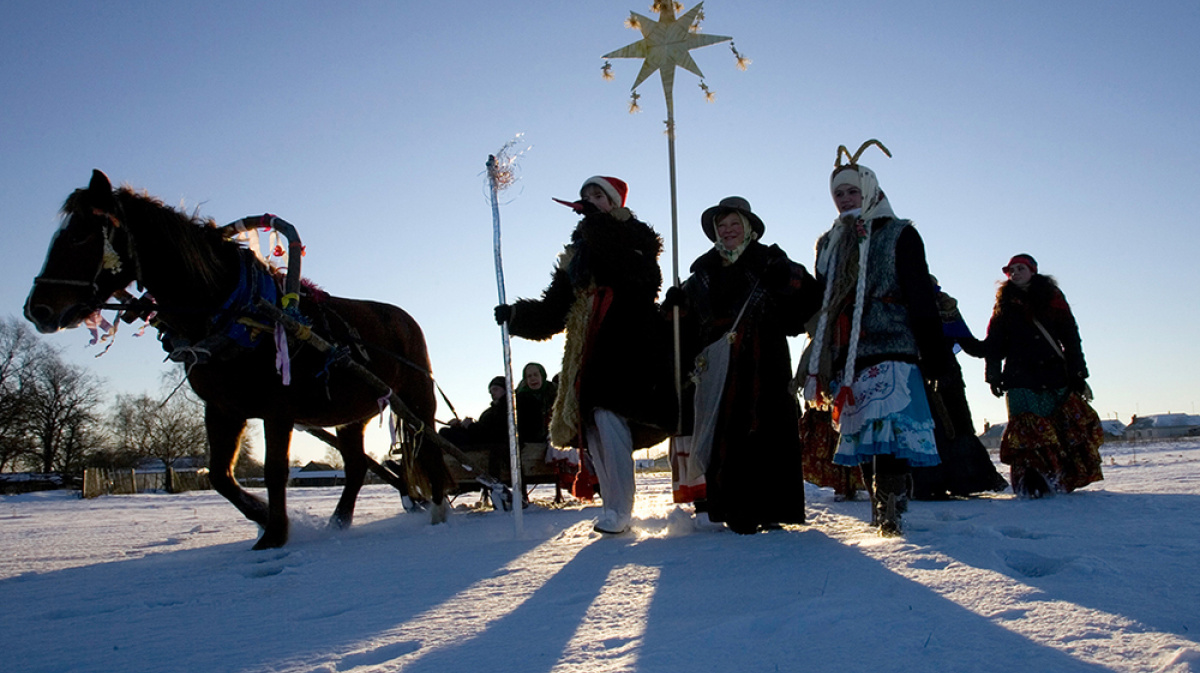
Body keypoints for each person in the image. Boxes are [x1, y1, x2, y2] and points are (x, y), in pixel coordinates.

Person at [495, 176, 674, 534]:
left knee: (611, 417)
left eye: (598, 195)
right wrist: (517, 317)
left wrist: (597, 226)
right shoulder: (576, 255)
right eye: (586, 196)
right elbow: (555, 309)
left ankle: (621, 509)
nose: (590, 201)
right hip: (588, 347)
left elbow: (639, 279)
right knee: (592, 425)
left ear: (615, 202)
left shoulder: (636, 237)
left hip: (630, 341)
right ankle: (613, 507)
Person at [797, 141, 949, 536]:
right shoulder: (828, 243)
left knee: (889, 427)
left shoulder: (900, 235)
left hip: (893, 340)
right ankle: (882, 500)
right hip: (847, 348)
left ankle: (891, 500)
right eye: (839, 194)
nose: (846, 199)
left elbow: (919, 296)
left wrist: (934, 353)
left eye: (852, 191)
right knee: (862, 428)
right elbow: (820, 296)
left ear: (870, 190)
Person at [666, 197, 821, 534]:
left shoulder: (771, 260)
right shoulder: (702, 273)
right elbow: (683, 326)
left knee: (769, 430)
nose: (729, 231)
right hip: (719, 366)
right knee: (728, 433)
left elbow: (808, 296)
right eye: (722, 226)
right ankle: (736, 509)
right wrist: (675, 306)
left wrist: (785, 276)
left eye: (735, 224)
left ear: (749, 228)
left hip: (766, 359)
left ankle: (773, 507)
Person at [984, 253, 1103, 497]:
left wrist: (1078, 373)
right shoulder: (1004, 303)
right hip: (1019, 376)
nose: (1014, 273)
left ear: (1033, 271)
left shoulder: (1053, 298)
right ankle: (1031, 484)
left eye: (1020, 268)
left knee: (1058, 428)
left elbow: (1071, 337)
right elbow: (994, 342)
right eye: (1010, 270)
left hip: (1053, 374)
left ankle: (1058, 479)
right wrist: (993, 375)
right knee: (1026, 431)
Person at [910, 276, 1009, 499]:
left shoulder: (946, 306)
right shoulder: (902, 305)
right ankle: (930, 484)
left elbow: (972, 345)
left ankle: (965, 481)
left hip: (947, 377)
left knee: (958, 428)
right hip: (916, 378)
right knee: (928, 429)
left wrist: (998, 342)